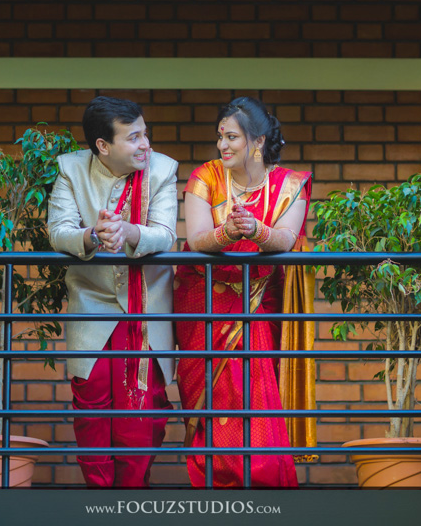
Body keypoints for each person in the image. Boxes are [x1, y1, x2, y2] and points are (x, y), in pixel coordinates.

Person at [175, 97, 314, 488]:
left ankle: (261, 485)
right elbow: (196, 239)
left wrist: (256, 230)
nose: (223, 145)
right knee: (214, 403)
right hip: (203, 304)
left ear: (257, 141)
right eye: (220, 136)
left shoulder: (289, 184)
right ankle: (214, 486)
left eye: (231, 137)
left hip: (257, 305)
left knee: (252, 396)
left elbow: (286, 239)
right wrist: (229, 232)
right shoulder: (207, 176)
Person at [48, 96, 178, 488]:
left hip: (146, 308)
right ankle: (100, 498)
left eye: (145, 134)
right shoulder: (71, 169)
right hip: (92, 305)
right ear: (103, 146)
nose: (145, 145)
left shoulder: (162, 170)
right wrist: (93, 234)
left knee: (140, 415)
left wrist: (129, 232)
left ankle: (130, 497)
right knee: (92, 409)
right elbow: (58, 231)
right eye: (134, 137)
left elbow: (167, 234)